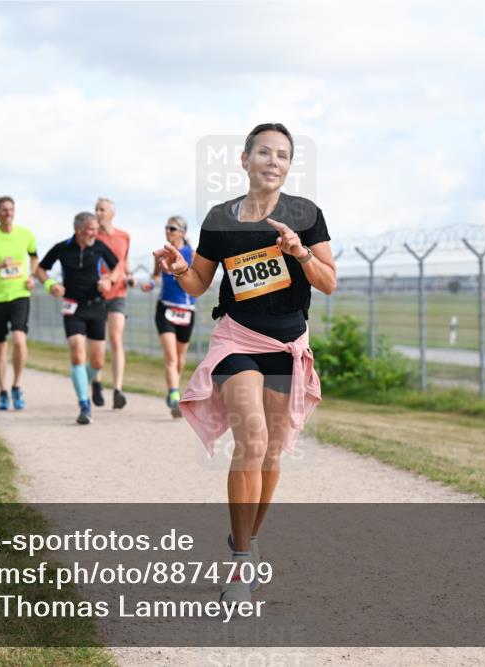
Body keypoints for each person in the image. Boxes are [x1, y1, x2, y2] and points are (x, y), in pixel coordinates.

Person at [158, 123, 337, 603]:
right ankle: (239, 566)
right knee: (251, 440)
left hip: (285, 343)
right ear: (244, 160)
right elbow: (198, 283)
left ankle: (246, 539)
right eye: (263, 152)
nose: (272, 161)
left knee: (273, 452)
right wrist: (179, 269)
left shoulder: (305, 214)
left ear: (289, 165)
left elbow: (328, 282)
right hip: (236, 339)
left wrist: (299, 253)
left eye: (282, 154)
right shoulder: (219, 219)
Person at [35, 211, 121, 425]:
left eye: (95, 229)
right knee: (77, 353)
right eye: (92, 229)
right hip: (72, 307)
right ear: (79, 229)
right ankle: (84, 404)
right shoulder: (62, 248)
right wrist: (50, 285)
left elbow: (118, 267)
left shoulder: (99, 247)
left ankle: (83, 382)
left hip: (96, 306)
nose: (95, 232)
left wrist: (109, 280)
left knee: (98, 362)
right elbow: (41, 269)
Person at [0, 196, 38, 410]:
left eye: (11, 209)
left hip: (20, 294)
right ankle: (2, 390)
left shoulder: (26, 235)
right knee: (0, 348)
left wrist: (32, 277)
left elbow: (34, 258)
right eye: (3, 210)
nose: (8, 213)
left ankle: (17, 385)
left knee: (19, 340)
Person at [141, 216, 197, 418]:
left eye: (172, 228)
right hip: (165, 308)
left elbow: (200, 277)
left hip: (186, 309)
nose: (168, 231)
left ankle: (173, 387)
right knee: (171, 357)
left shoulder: (192, 253)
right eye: (166, 228)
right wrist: (151, 284)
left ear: (182, 232)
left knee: (180, 358)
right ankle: (174, 396)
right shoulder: (162, 254)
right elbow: (156, 276)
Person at [94, 197, 132, 410]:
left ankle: (117, 389)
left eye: (102, 209)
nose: (98, 213)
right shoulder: (91, 235)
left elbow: (124, 262)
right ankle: (97, 381)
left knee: (116, 337)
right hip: (97, 294)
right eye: (96, 209)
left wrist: (130, 274)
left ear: (111, 213)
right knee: (98, 340)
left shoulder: (124, 236)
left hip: (118, 293)